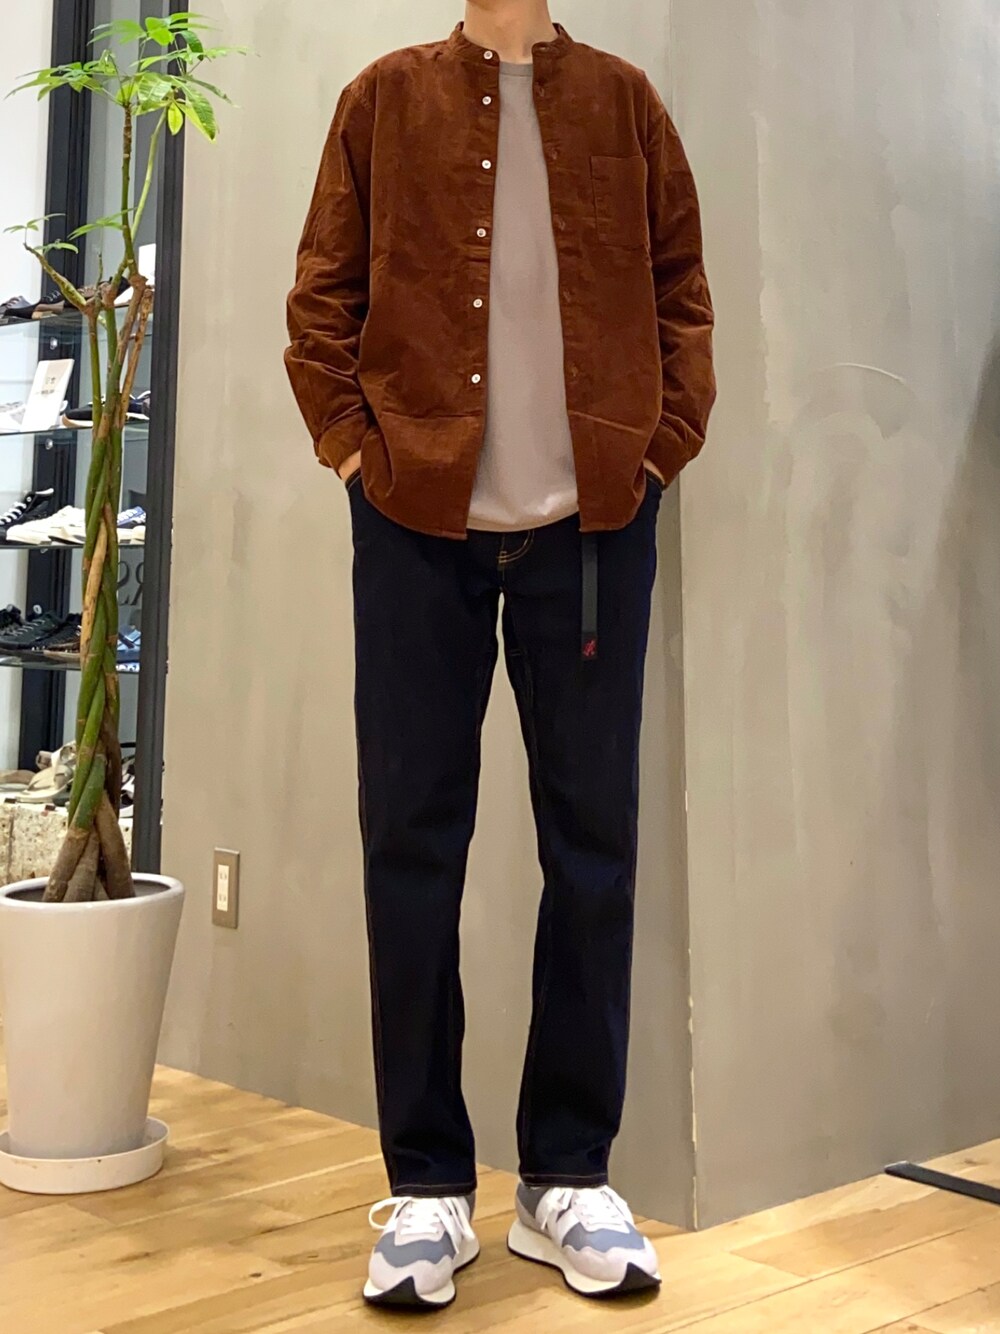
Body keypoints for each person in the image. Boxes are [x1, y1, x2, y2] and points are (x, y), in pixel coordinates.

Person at [285, 0, 715, 1310]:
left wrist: (656, 452)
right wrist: (355, 454)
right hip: (417, 527)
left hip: (591, 532)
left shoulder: (627, 104)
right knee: (411, 845)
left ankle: (566, 1177)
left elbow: (683, 297)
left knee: (593, 848)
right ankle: (425, 1186)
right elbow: (321, 301)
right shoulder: (382, 99)